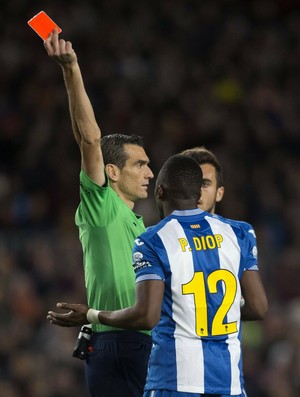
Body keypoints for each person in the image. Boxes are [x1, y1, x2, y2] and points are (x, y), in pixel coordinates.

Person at [48, 154, 268, 397]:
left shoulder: (153, 239)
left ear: (160, 192)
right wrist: (210, 309)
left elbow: (146, 315)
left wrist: (91, 314)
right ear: (198, 195)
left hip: (173, 381)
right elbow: (258, 308)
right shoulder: (239, 232)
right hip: (230, 386)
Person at [43, 30, 154, 397]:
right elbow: (89, 138)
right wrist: (71, 69)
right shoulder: (101, 207)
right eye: (139, 165)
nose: (150, 174)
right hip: (117, 343)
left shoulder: (140, 224)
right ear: (111, 172)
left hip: (142, 342)